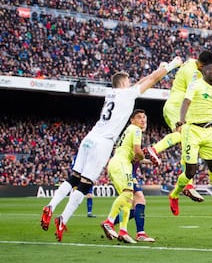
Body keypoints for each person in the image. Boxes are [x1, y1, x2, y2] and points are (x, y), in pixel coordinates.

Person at [40, 56, 183, 241]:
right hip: (103, 142)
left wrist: (156, 69)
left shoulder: (112, 93)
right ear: (124, 83)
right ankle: (63, 220)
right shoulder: (127, 94)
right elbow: (152, 81)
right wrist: (170, 66)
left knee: (73, 177)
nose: (132, 84)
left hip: (89, 138)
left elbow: (142, 82)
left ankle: (50, 206)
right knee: (85, 185)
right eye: (129, 81)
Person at [143, 51, 212, 203]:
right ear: (202, 66)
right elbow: (199, 90)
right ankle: (153, 149)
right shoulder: (192, 72)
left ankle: (188, 186)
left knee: (186, 143)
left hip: (177, 106)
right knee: (183, 135)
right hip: (176, 106)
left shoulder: (192, 64)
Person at [169, 63, 212, 217]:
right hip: (192, 130)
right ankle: (174, 195)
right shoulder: (196, 85)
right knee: (191, 171)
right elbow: (186, 102)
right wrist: (181, 120)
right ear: (204, 72)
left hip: (208, 132)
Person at [100, 109, 155, 244]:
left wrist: (146, 158)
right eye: (139, 117)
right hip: (121, 165)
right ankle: (110, 221)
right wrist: (147, 156)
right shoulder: (136, 130)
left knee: (129, 199)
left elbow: (135, 155)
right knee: (129, 195)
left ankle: (123, 231)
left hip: (119, 164)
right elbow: (137, 151)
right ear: (132, 120)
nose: (143, 120)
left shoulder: (129, 131)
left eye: (144, 118)